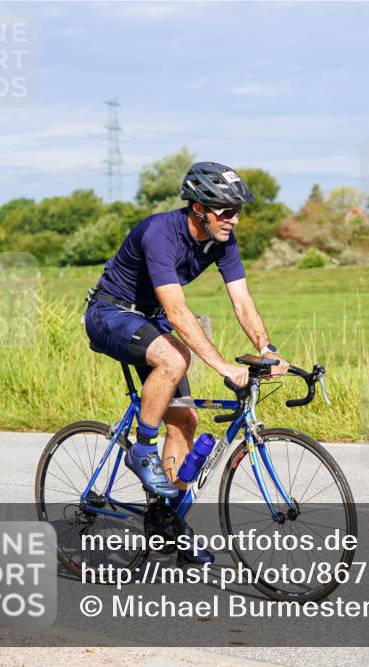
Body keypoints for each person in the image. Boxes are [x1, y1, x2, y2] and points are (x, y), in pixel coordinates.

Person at [83, 161, 288, 564]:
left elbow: (241, 299)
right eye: (225, 211)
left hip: (149, 319)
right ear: (198, 208)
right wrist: (224, 367)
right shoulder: (161, 233)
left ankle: (167, 526)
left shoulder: (223, 241)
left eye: (238, 211)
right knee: (176, 357)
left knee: (186, 421)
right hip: (110, 312)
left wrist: (266, 349)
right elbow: (177, 312)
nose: (234, 219)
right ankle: (142, 449)